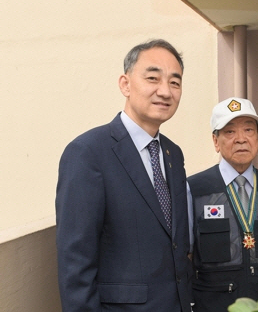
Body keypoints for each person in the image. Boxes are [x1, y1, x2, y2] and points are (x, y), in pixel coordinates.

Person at [56, 39, 192, 312]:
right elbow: (75, 261)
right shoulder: (87, 152)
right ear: (125, 84)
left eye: (174, 83)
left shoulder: (172, 154)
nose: (165, 91)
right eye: (153, 78)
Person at [187, 97, 258, 312]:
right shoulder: (195, 189)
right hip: (214, 304)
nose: (241, 139)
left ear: (257, 137)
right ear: (215, 141)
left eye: (249, 130)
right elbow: (187, 253)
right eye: (230, 132)